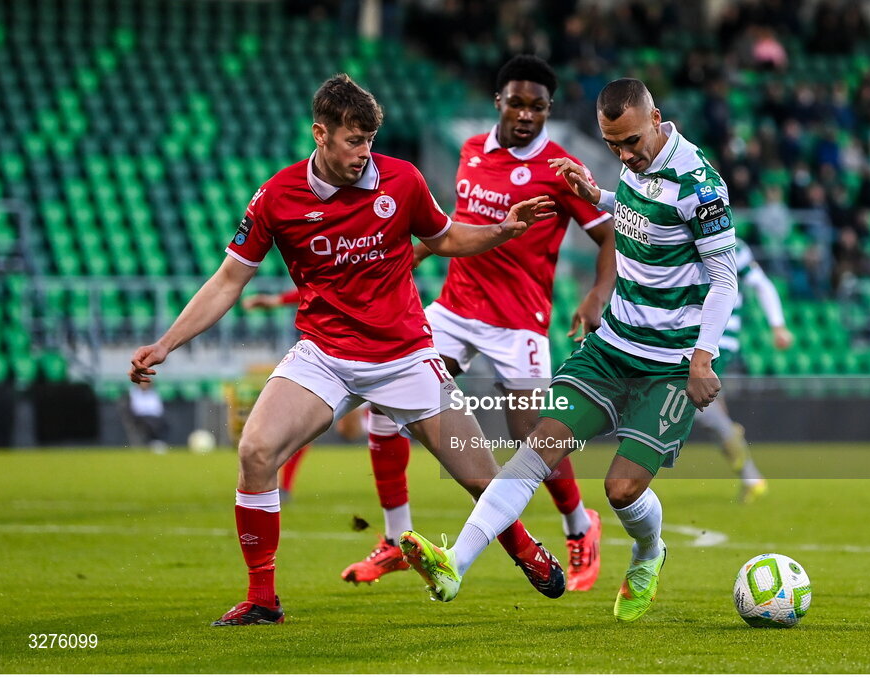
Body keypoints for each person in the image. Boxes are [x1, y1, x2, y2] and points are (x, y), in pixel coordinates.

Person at [129, 74, 564, 626]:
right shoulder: (277, 197)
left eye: (370, 141)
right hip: (325, 356)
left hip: (405, 355)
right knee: (255, 452)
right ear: (320, 134)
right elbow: (227, 281)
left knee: (479, 476)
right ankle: (263, 598)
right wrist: (166, 343)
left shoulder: (401, 181)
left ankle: (525, 546)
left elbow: (445, 238)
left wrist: (502, 229)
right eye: (353, 141)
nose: (365, 153)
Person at [400, 78, 738, 623]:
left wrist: (704, 356)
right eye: (613, 146)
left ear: (657, 118)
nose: (624, 154)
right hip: (611, 349)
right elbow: (638, 210)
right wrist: (596, 194)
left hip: (669, 366)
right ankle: (453, 566)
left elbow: (724, 277)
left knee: (622, 490)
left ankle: (650, 550)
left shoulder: (700, 184)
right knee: (535, 450)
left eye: (630, 142)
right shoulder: (635, 164)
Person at [340, 55, 615, 592]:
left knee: (533, 437)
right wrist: (420, 251)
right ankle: (397, 539)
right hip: (456, 309)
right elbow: (457, 225)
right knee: (388, 404)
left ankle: (580, 525)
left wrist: (596, 296)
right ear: (499, 101)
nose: (526, 114)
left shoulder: (560, 168)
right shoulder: (470, 152)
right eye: (517, 102)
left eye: (538, 106)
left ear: (548, 110)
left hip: (520, 321)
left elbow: (608, 238)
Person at [241, 288, 368, 501]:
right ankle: (284, 487)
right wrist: (275, 300)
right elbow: (314, 289)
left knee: (354, 431)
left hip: (375, 357)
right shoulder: (340, 274)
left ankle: (396, 516)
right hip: (332, 360)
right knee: (305, 427)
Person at [693, 240, 792, 502]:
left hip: (711, 340)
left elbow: (761, 284)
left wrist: (778, 325)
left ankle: (743, 459)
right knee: (708, 411)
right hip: (705, 338)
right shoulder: (730, 243)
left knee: (700, 409)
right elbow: (761, 284)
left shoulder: (730, 245)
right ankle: (751, 476)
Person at [121, 381, 168, 454]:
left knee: (157, 423)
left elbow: (158, 410)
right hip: (139, 419)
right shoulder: (133, 394)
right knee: (149, 423)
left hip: (153, 419)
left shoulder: (154, 394)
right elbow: (134, 410)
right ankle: (152, 443)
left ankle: (156, 442)